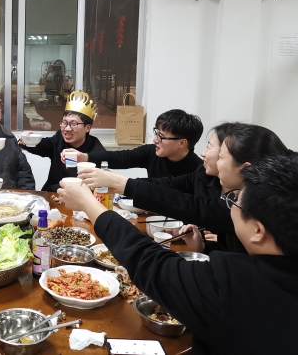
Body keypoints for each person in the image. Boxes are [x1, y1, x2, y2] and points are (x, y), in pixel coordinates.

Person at [57, 152, 298, 354]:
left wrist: (89, 204)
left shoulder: (237, 284)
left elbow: (151, 263)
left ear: (258, 231)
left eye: (234, 202)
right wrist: (206, 248)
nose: (230, 206)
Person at [79, 123, 290, 254]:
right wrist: (121, 185)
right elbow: (170, 185)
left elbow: (191, 206)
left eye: (217, 152)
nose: (203, 154)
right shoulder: (205, 175)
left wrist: (120, 184)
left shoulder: (250, 204)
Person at [64, 109, 203, 178]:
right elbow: (121, 157)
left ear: (182, 143)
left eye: (161, 136)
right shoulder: (151, 152)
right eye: (156, 133)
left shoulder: (199, 170)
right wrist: (85, 157)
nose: (155, 140)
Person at [19, 90, 106, 191]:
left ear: (88, 128)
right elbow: (43, 146)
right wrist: (26, 140)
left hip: (81, 197)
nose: (67, 129)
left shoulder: (97, 152)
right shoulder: (59, 139)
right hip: (52, 194)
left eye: (74, 124)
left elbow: (99, 189)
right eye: (64, 123)